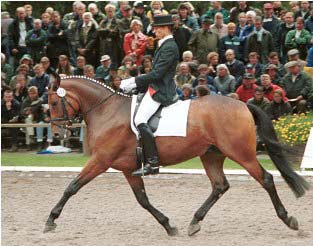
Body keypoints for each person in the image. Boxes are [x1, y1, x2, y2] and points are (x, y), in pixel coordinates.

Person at [119, 15, 179, 176]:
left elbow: (158, 73)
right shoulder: (164, 44)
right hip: (155, 86)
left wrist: (135, 80)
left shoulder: (170, 46)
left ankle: (152, 162)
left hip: (161, 90)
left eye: (157, 28)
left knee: (139, 119)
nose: (155, 31)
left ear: (166, 28)